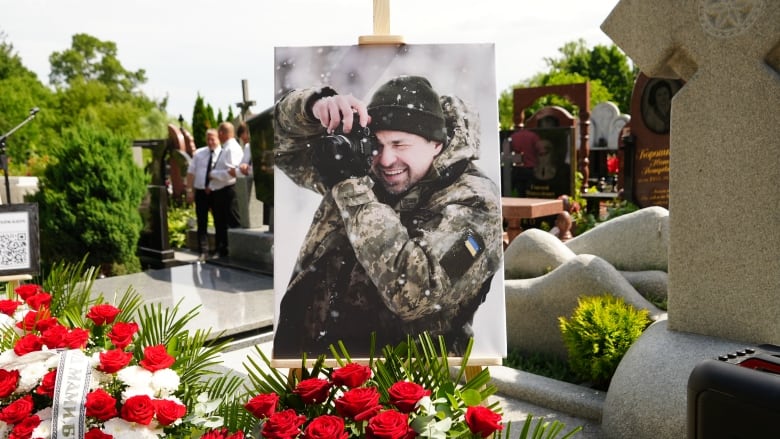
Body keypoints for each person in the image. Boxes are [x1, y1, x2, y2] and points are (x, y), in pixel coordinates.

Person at [273, 75, 503, 358]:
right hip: (309, 363)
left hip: (404, 388)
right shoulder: (363, 171)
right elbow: (284, 150)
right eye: (377, 145)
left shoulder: (475, 202)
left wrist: (354, 192)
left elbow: (416, 292)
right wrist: (312, 106)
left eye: (400, 144)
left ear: (437, 144)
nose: (385, 160)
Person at [207, 122, 244, 257]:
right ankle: (221, 249)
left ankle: (234, 250)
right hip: (221, 190)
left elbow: (232, 172)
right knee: (220, 223)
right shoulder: (227, 148)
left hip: (228, 191)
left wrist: (213, 174)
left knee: (231, 221)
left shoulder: (231, 148)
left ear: (222, 133)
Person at [186, 129, 221, 261]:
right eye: (208, 139)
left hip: (216, 192)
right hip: (200, 191)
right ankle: (203, 251)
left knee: (219, 221)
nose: (210, 142)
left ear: (218, 139)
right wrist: (189, 191)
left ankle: (219, 249)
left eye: (213, 139)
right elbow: (191, 173)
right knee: (202, 222)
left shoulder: (223, 153)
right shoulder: (199, 154)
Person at [506, 128, 543, 196]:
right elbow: (540, 150)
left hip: (518, 168)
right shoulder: (533, 136)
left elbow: (508, 152)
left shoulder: (513, 136)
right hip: (531, 168)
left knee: (521, 192)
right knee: (531, 192)